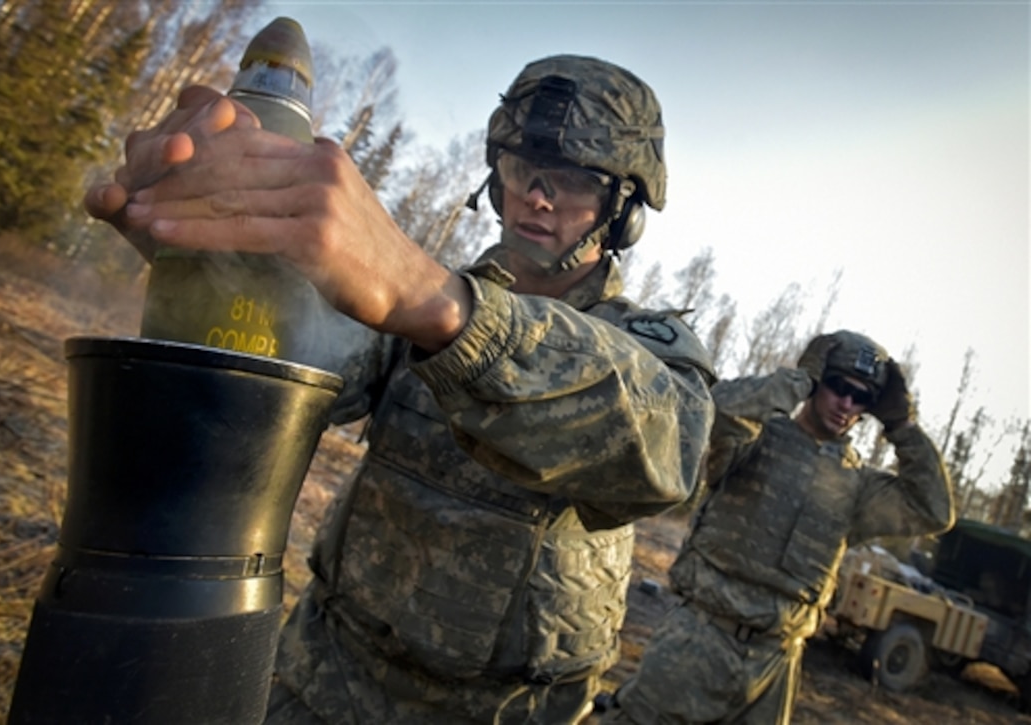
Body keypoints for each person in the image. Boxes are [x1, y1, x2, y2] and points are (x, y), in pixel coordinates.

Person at [85, 54, 716, 724]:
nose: (537, 194)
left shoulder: (642, 344)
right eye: (521, 167)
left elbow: (666, 446)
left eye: (574, 180)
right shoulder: (409, 309)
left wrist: (442, 309)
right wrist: (212, 255)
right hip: (322, 676)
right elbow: (302, 356)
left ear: (623, 210)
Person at [600, 329, 954, 724]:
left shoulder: (858, 486)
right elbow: (717, 408)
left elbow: (934, 510)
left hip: (776, 661)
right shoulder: (757, 434)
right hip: (699, 640)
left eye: (862, 398)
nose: (847, 403)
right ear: (819, 382)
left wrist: (902, 426)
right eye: (838, 387)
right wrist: (798, 381)